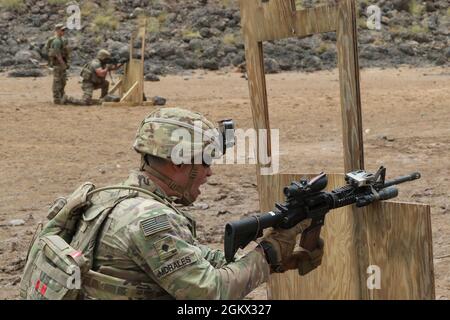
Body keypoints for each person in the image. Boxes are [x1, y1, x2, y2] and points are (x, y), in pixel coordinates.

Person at [21, 108, 324, 300]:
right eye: (205, 161)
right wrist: (270, 251)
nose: (209, 172)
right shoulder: (151, 219)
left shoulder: (108, 197)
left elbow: (192, 260)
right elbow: (210, 292)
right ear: (179, 163)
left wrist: (282, 257)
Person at [47, 23, 70, 104]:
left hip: (61, 63)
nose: (64, 31)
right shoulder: (57, 41)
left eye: (64, 30)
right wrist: (63, 63)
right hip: (58, 64)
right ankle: (56, 98)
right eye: (62, 30)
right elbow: (57, 54)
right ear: (57, 30)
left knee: (63, 81)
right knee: (57, 81)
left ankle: (61, 95)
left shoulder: (62, 40)